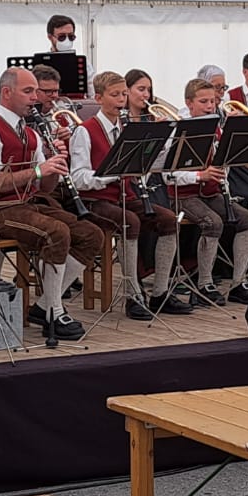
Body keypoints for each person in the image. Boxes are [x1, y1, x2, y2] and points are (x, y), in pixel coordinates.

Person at [0, 68, 104, 339]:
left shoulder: (30, 133)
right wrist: (39, 169)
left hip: (23, 204)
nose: (35, 98)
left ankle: (44, 305)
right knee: (56, 232)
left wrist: (55, 165)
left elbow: (44, 187)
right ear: (6, 93)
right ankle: (54, 311)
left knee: (91, 235)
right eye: (28, 91)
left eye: (35, 92)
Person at [71, 71, 189, 319]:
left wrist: (161, 143)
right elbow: (79, 177)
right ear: (98, 98)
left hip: (124, 195)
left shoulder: (127, 128)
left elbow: (149, 166)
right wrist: (112, 174)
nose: (121, 100)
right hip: (95, 199)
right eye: (115, 95)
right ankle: (133, 294)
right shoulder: (85, 131)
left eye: (124, 94)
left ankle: (160, 292)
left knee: (169, 219)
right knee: (130, 221)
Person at [168, 78, 248, 305]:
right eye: (203, 102)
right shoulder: (180, 130)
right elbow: (169, 175)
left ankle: (238, 282)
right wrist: (199, 176)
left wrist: (231, 142)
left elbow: (224, 163)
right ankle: (204, 284)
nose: (210, 106)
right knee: (213, 223)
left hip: (209, 192)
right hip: (183, 194)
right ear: (189, 103)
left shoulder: (217, 129)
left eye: (213, 101)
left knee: (247, 219)